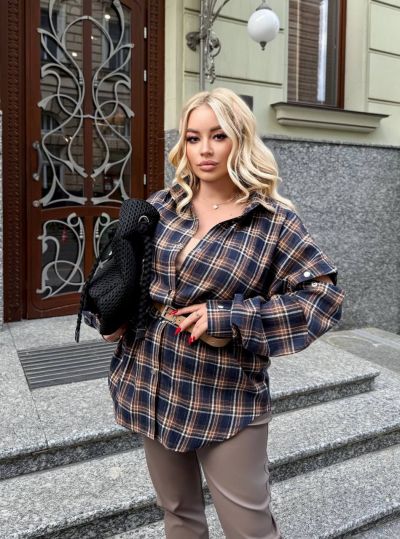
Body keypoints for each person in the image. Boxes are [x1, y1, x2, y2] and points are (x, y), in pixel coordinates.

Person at [103, 87, 345, 539]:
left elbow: (322, 298)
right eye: (193, 138)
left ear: (240, 139)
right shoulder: (162, 205)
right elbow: (126, 275)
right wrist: (113, 313)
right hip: (152, 379)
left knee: (249, 528)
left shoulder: (273, 221)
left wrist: (230, 318)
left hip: (225, 393)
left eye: (218, 136)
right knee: (178, 514)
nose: (205, 150)